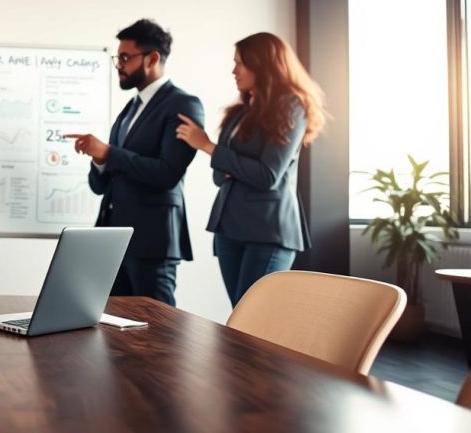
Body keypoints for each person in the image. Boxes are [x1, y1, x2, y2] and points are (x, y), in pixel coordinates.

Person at [175, 32, 327, 307]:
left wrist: (209, 147)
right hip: (229, 228)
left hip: (267, 231)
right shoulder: (237, 113)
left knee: (254, 321)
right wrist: (233, 165)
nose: (234, 70)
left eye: (240, 63)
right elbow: (220, 175)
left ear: (263, 65)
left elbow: (267, 176)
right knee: (240, 318)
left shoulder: (291, 107)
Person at [66, 19, 204, 306]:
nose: (119, 65)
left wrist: (110, 153)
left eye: (126, 58)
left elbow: (168, 173)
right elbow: (102, 184)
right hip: (114, 241)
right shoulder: (131, 108)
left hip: (152, 241)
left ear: (152, 58)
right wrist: (100, 161)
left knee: (158, 333)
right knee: (115, 331)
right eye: (118, 58)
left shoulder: (183, 104)